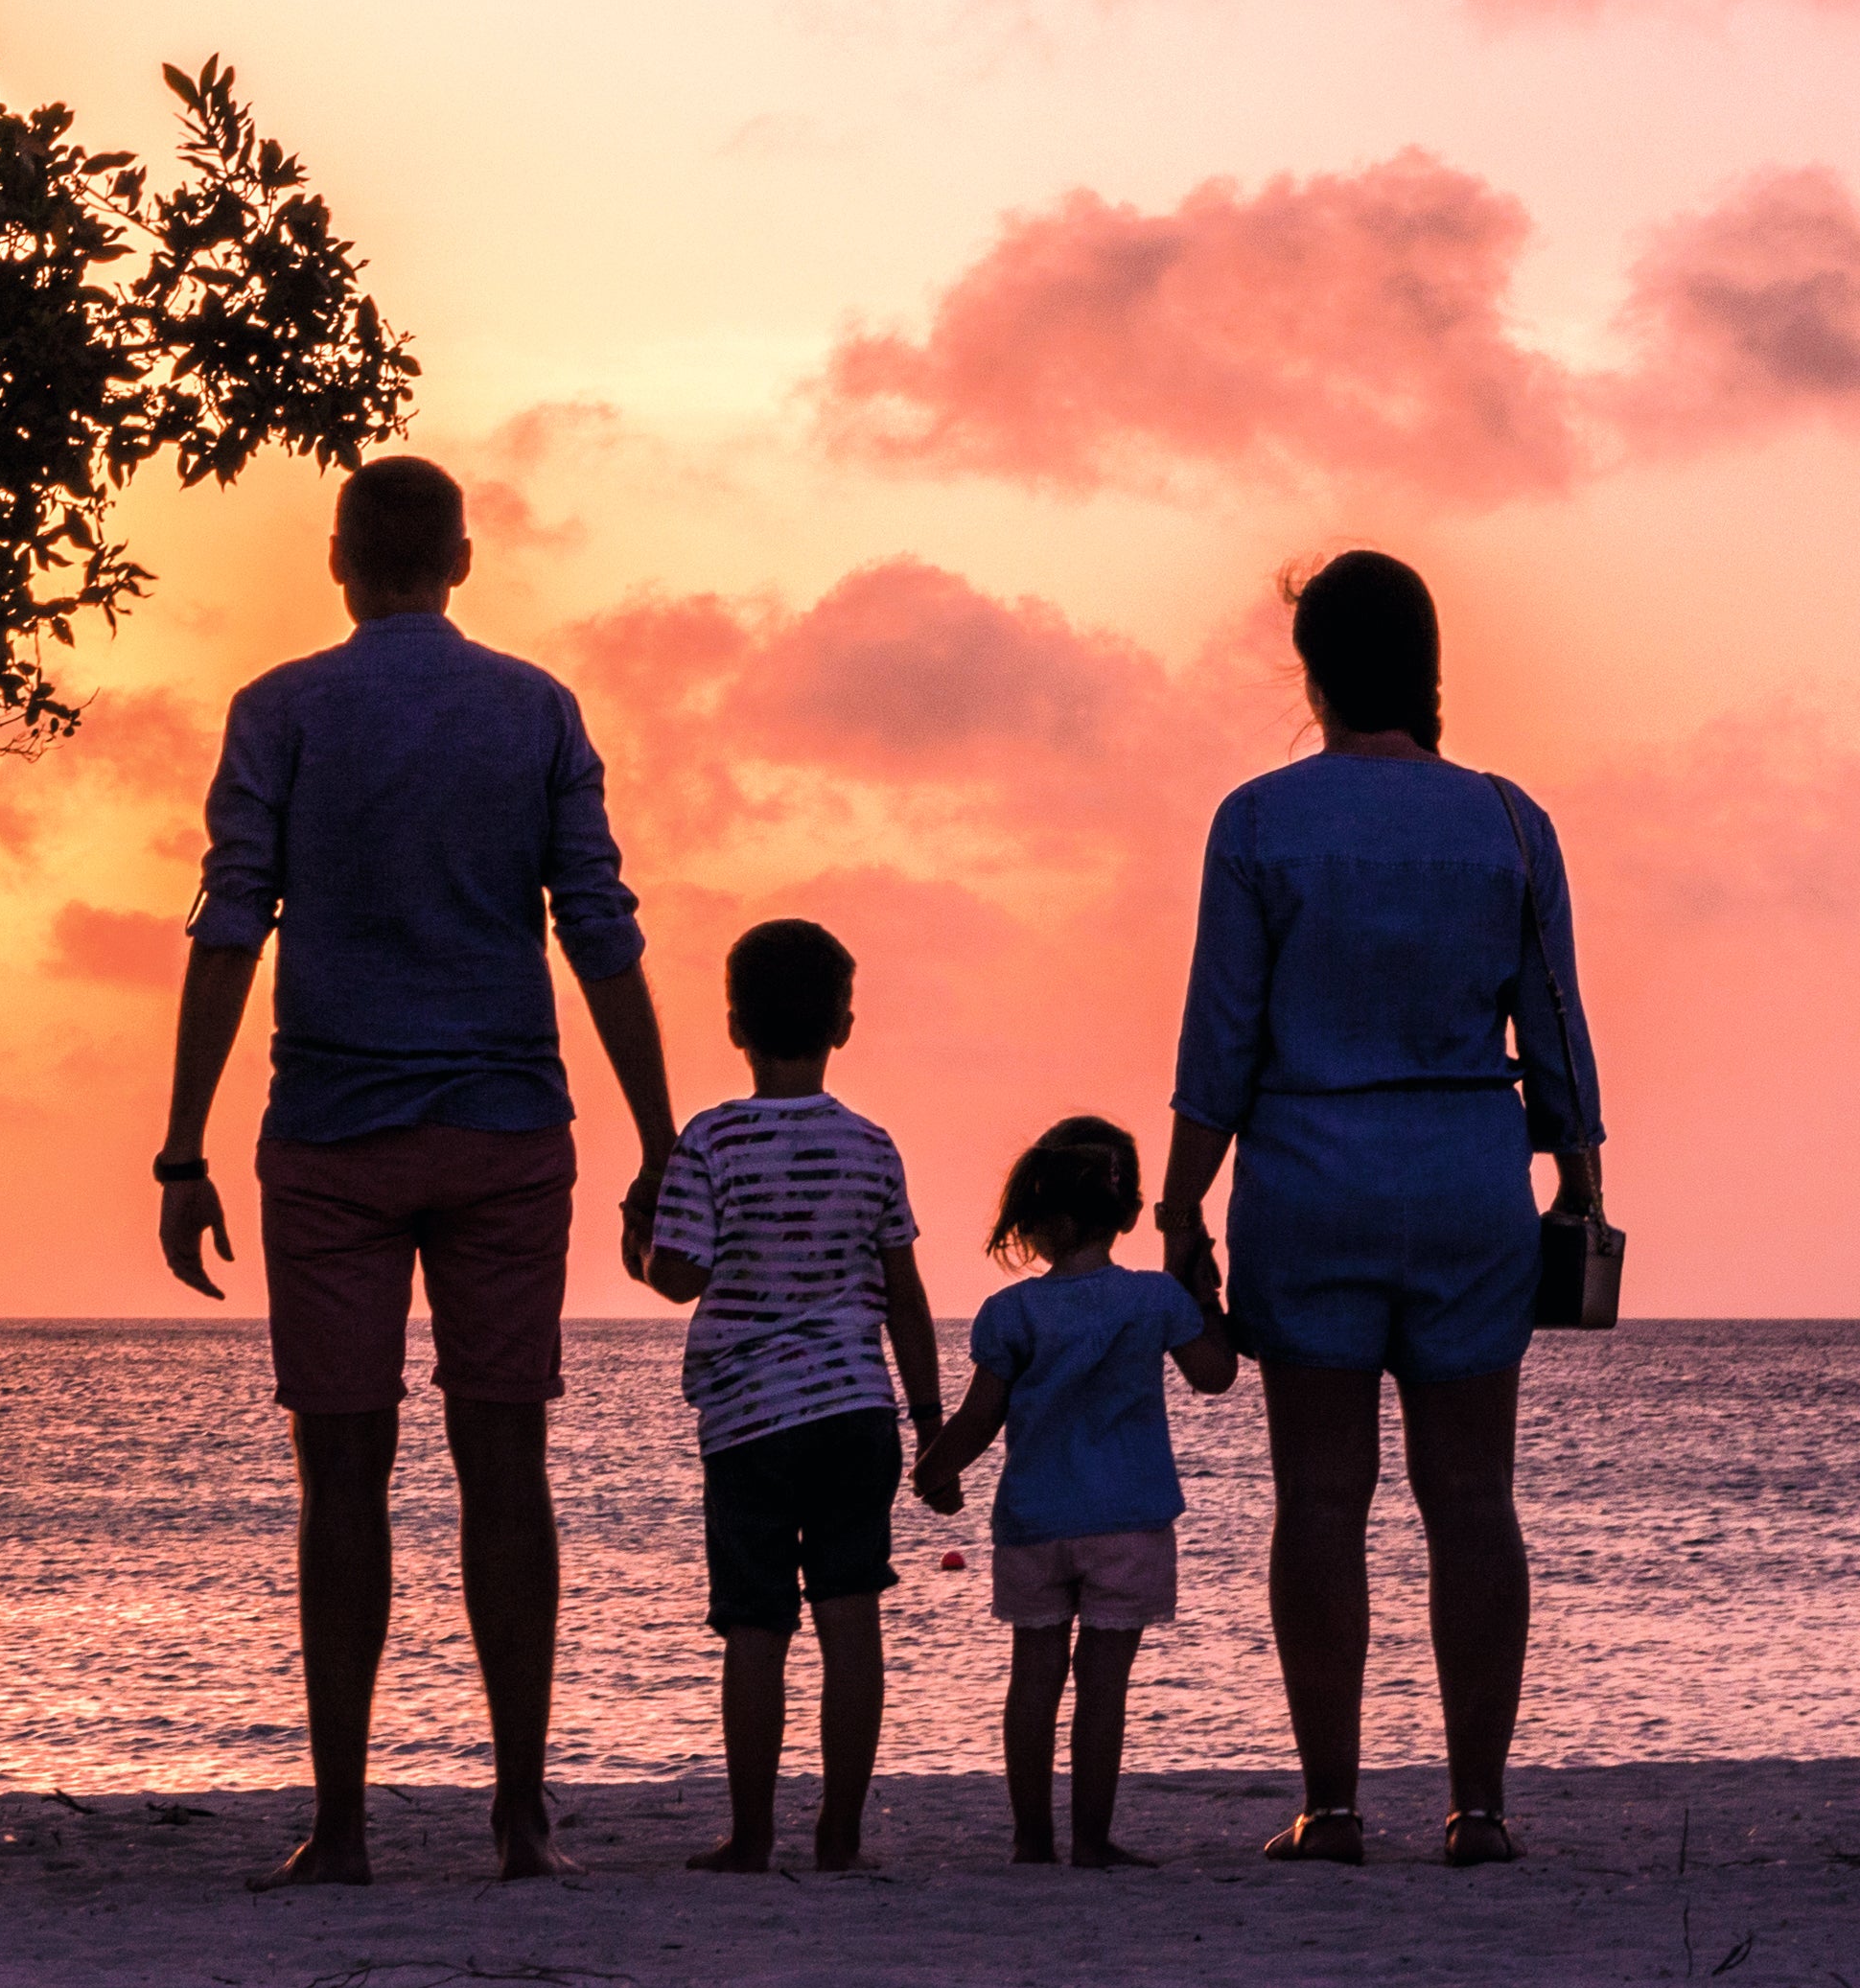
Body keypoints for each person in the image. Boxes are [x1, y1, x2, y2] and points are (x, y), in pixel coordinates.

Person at [156, 453, 681, 1887]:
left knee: (342, 1477)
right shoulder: (535, 709)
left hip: (327, 1134)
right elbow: (599, 928)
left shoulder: (280, 710)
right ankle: (519, 1812)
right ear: (461, 558)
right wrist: (656, 1132)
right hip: (507, 1129)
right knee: (504, 1464)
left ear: (336, 559)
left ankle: (343, 1821)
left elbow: (227, 929)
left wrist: (181, 1143)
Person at [1162, 550, 1608, 1868]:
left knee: (1318, 1500)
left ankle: (1335, 1802)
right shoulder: (1509, 822)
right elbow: (1558, 1033)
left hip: (1307, 1179)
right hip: (1468, 1182)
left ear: (1312, 672)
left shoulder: (1255, 820)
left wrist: (1180, 1205)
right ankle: (1476, 1806)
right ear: (1426, 666)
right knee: (1471, 1498)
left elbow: (1219, 1041)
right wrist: (1579, 1184)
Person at [639, 919, 939, 1873]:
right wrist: (929, 1419)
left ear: (733, 1023)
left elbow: (680, 1277)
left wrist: (636, 1247)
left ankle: (754, 1832)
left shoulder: (710, 1139)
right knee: (850, 1615)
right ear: (841, 1023)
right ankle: (839, 1831)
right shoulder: (870, 1145)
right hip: (854, 1409)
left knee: (755, 1625)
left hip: (747, 1419)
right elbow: (903, 1294)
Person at [916, 1116, 1236, 1868]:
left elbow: (979, 1417)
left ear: (1039, 1217)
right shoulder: (1154, 1300)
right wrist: (1205, 1298)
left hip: (1035, 1521)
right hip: (1128, 1518)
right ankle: (1091, 1839)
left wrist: (933, 1467)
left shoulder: (1011, 1313)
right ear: (1128, 1214)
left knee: (1033, 1678)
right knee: (1102, 1687)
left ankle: (1033, 1839)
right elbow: (1215, 1374)